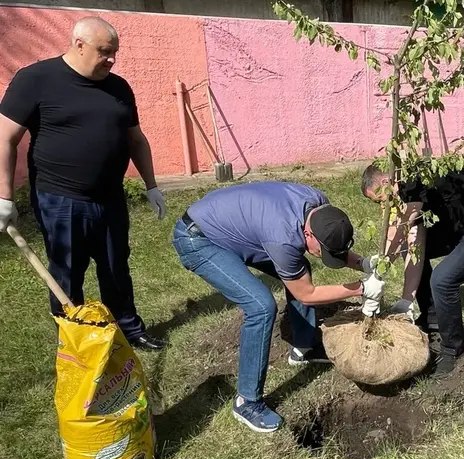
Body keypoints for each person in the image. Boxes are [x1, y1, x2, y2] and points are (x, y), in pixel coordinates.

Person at [0, 16, 167, 350]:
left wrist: (151, 185)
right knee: (66, 271)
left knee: (116, 266)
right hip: (59, 199)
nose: (112, 59)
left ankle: (129, 329)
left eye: (114, 52)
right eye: (105, 51)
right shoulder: (36, 79)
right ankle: (74, 337)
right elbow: (5, 138)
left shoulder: (118, 87)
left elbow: (136, 139)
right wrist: (4, 197)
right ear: (79, 44)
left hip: (110, 198)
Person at [173, 181, 384, 433]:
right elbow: (306, 294)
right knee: (261, 306)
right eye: (325, 251)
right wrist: (360, 288)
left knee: (299, 268)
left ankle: (303, 347)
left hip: (237, 226)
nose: (327, 257)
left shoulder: (318, 205)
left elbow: (321, 253)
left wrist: (364, 263)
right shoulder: (283, 238)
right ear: (308, 234)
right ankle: (246, 402)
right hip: (199, 238)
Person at [361, 161, 464, 378]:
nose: (383, 207)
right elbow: (413, 239)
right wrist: (405, 297)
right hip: (460, 226)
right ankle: (433, 317)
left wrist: (381, 270)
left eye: (381, 200)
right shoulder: (408, 187)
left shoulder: (412, 181)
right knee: (410, 249)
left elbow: (403, 225)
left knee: (442, 281)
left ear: (386, 182)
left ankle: (453, 348)